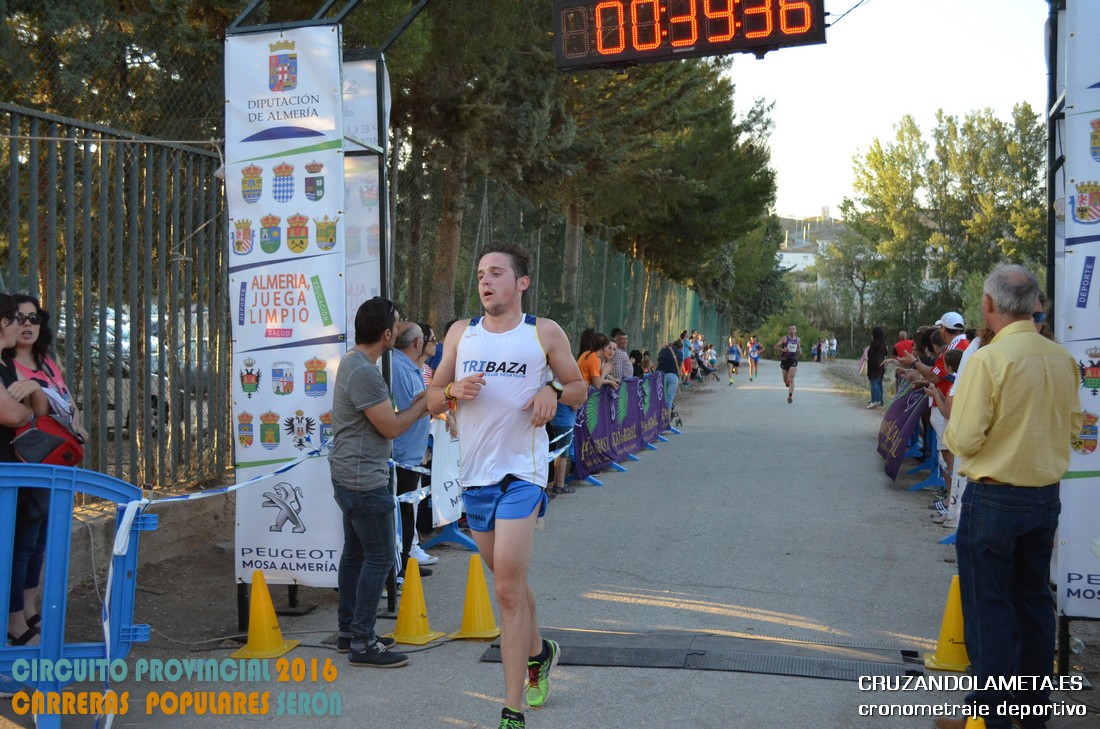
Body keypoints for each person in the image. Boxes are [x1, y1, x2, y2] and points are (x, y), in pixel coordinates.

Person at [427, 244, 586, 729]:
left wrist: (551, 389)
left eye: (496, 273)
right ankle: (541, 653)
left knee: (505, 589)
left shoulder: (543, 332)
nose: (485, 281)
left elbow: (578, 387)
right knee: (510, 583)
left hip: (522, 474)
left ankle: (511, 711)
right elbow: (431, 398)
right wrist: (450, 391)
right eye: (480, 274)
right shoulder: (461, 333)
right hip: (475, 478)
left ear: (521, 283)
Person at [936, 265, 1082, 729]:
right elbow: (1075, 428)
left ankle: (989, 716)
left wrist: (958, 432)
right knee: (1033, 603)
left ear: (988, 305)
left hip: (994, 498)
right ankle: (1031, 711)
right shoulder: (1062, 359)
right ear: (1034, 304)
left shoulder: (988, 359)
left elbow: (964, 438)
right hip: (1044, 497)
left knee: (988, 608)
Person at [329, 296, 429, 668]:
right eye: (397, 324)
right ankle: (362, 642)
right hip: (363, 481)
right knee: (381, 557)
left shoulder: (355, 362)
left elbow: (382, 420)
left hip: (352, 475)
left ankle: (349, 632)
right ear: (386, 334)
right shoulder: (364, 372)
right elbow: (391, 426)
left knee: (356, 554)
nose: (400, 329)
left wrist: (415, 405)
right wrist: (422, 406)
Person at [2, 293, 51, 647]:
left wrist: (31, 404)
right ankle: (13, 626)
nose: (24, 325)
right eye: (17, 319)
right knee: (15, 549)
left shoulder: (33, 363)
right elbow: (14, 414)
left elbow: (42, 410)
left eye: (32, 318)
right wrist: (28, 411)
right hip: (9, 473)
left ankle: (17, 620)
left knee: (29, 543)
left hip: (23, 467)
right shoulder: (7, 363)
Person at [391, 322, 434, 581]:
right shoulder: (398, 366)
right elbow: (411, 408)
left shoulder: (407, 366)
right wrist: (437, 396)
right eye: (430, 339)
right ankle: (400, 568)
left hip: (411, 451)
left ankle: (405, 562)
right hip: (403, 453)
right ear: (417, 343)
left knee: (407, 511)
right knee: (403, 512)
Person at [774, 325, 802, 404]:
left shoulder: (798, 339)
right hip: (785, 360)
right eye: (790, 329)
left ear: (796, 330)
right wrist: (783, 350)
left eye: (793, 329)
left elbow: (799, 349)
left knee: (791, 378)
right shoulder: (784, 338)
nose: (792, 330)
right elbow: (775, 347)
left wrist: (800, 351)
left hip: (793, 360)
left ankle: (790, 396)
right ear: (788, 331)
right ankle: (787, 382)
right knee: (785, 379)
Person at [865, 326, 888, 408]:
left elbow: (870, 354)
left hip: (873, 365)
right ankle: (879, 400)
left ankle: (873, 401)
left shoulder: (873, 343)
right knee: (879, 383)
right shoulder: (883, 343)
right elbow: (885, 353)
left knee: (873, 383)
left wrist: (867, 350)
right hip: (881, 364)